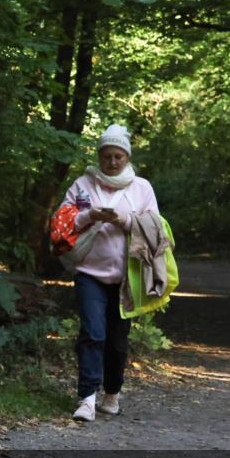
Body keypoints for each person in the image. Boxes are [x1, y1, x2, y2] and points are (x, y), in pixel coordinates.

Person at [57, 124, 160, 421]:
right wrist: (91, 215)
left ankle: (112, 393)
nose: (112, 162)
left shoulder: (142, 188)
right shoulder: (83, 185)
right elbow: (64, 221)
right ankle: (87, 398)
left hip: (128, 277)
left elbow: (155, 229)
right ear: (99, 156)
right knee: (92, 333)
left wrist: (123, 219)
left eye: (118, 156)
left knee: (117, 341)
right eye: (106, 156)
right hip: (89, 273)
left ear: (126, 157)